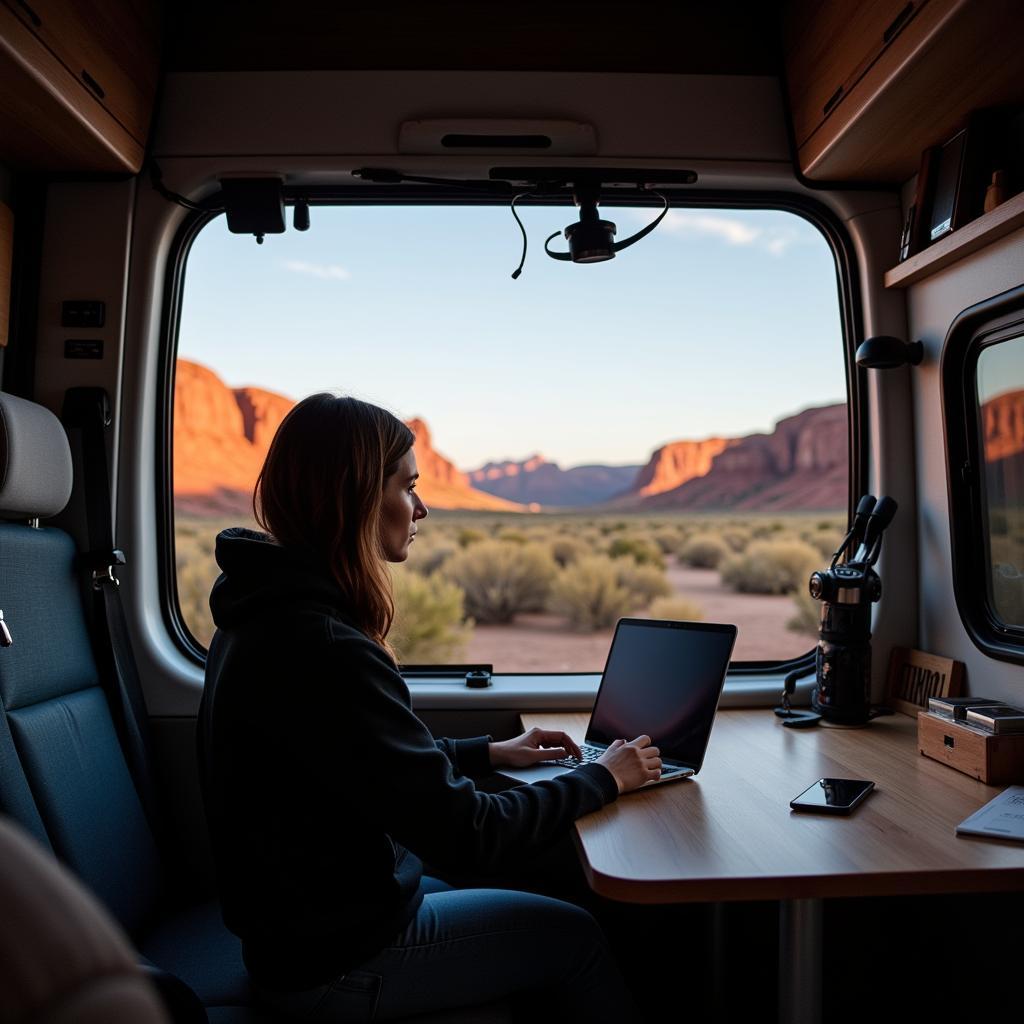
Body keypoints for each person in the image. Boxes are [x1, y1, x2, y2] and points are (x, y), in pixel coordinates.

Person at [198, 393, 662, 1021]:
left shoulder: (271, 614)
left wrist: (489, 751)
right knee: (575, 935)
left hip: (313, 931)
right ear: (357, 494)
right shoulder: (324, 646)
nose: (422, 507)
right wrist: (604, 777)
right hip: (336, 965)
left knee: (521, 890)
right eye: (407, 486)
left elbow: (361, 759)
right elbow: (472, 835)